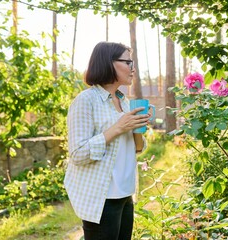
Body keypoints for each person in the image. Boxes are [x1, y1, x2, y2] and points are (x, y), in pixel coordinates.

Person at [64, 41, 151, 240]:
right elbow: (78, 154)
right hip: (103, 197)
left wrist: (138, 126)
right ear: (109, 63)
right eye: (128, 62)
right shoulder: (86, 100)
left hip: (126, 194)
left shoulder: (124, 101)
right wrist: (119, 127)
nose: (133, 68)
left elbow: (137, 148)